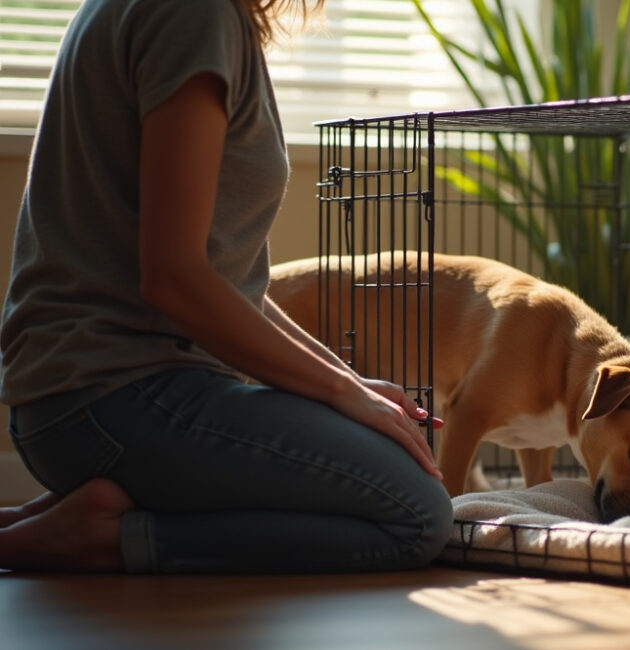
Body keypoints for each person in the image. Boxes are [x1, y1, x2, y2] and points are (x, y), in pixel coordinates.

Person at [0, 0, 453, 573]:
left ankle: (69, 512)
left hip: (85, 399)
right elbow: (176, 280)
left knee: (391, 459)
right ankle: (88, 539)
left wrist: (349, 380)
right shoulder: (195, 15)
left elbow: (224, 282)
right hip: (114, 396)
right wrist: (339, 394)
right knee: (417, 516)